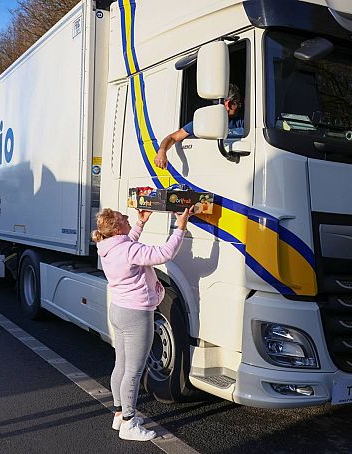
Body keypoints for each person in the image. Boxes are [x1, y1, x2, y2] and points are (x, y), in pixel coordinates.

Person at [93, 207, 191, 441]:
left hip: (118, 310)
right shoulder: (127, 249)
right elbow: (165, 253)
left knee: (121, 365)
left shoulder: (107, 247)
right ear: (117, 229)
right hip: (137, 314)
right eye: (124, 218)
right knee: (134, 372)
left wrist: (140, 223)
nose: (128, 218)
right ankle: (128, 422)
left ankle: (119, 414)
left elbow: (127, 246)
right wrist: (181, 226)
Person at [154, 83, 244, 169]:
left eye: (237, 104)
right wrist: (162, 151)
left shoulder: (241, 122)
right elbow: (172, 137)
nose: (237, 107)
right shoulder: (204, 121)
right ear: (226, 103)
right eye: (235, 103)